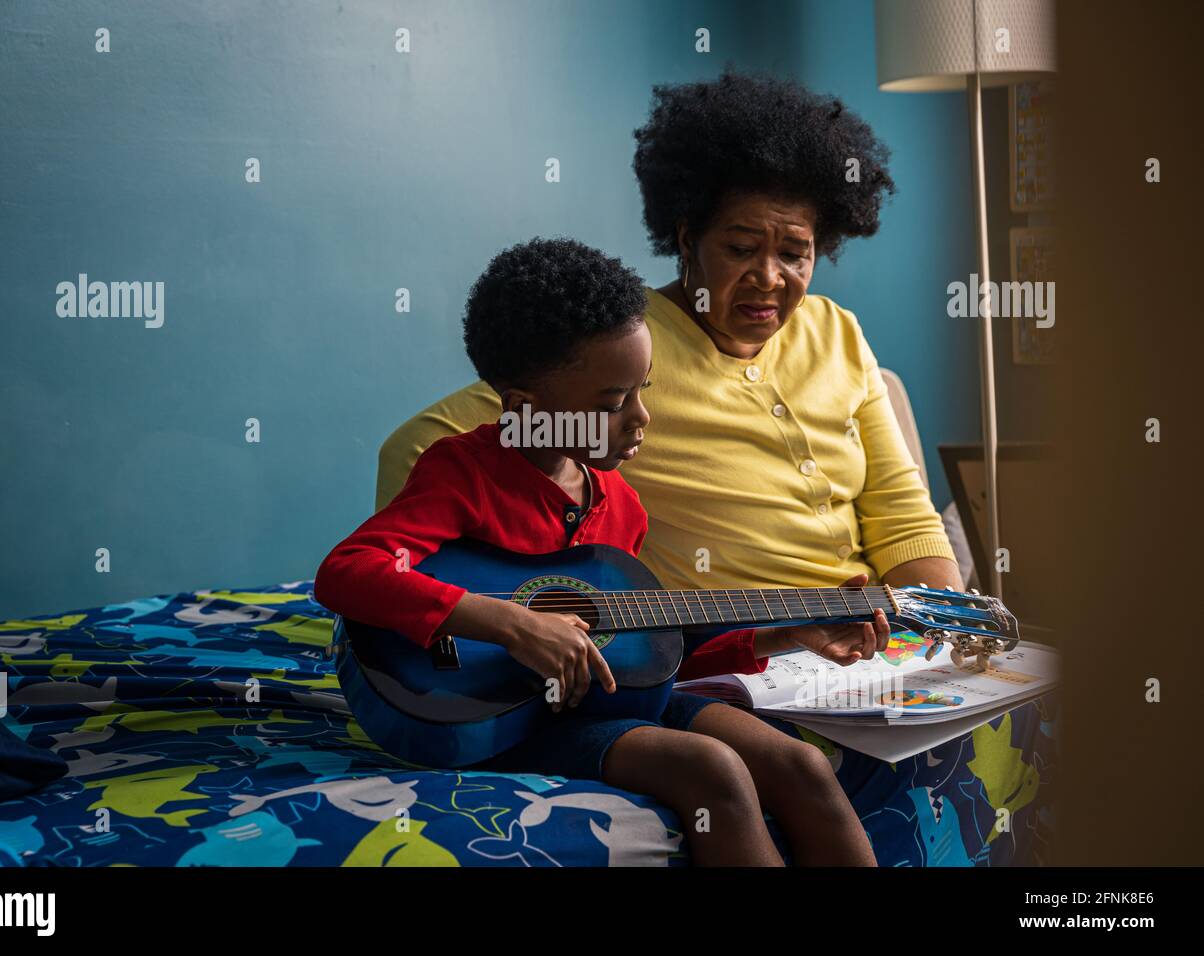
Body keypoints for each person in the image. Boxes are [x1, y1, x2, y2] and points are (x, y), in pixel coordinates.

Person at [315, 238, 889, 865]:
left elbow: (652, 652)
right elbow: (349, 572)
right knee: (711, 768)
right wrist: (510, 624)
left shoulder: (620, 505)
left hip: (614, 698)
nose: (640, 418)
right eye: (612, 404)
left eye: (644, 390)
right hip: (509, 717)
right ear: (525, 410)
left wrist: (789, 634)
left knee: (801, 762)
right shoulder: (463, 474)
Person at [376, 71, 963, 597]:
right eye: (739, 248)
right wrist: (474, 600)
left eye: (794, 253)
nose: (769, 277)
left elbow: (902, 516)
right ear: (686, 238)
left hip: (866, 636)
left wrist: (951, 629)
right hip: (738, 655)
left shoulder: (836, 330)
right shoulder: (620, 349)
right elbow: (420, 446)